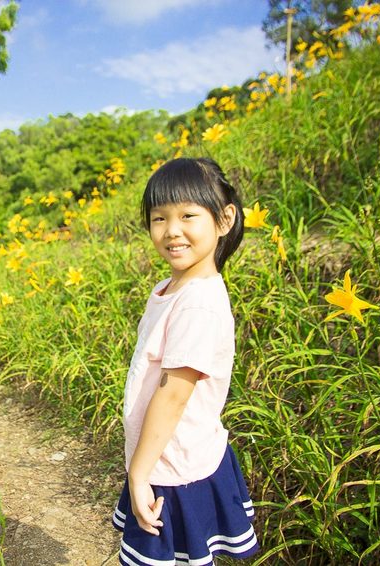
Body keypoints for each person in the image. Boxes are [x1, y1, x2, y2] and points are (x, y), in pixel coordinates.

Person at [111, 158, 258, 565]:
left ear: (224, 219)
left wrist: (139, 474)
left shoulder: (199, 304)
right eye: (159, 218)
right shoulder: (170, 287)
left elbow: (174, 395)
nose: (172, 230)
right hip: (164, 453)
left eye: (188, 215)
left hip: (172, 467)